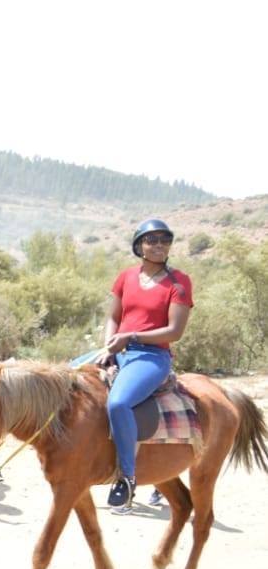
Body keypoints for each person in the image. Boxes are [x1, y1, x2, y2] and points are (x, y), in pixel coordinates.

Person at [101, 218, 194, 510]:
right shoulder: (126, 277)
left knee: (118, 404)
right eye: (152, 240)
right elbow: (113, 317)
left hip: (152, 357)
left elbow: (174, 332)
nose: (159, 246)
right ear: (139, 245)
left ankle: (126, 477)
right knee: (67, 384)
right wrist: (108, 346)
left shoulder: (179, 283)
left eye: (165, 240)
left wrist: (131, 337)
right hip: (118, 348)